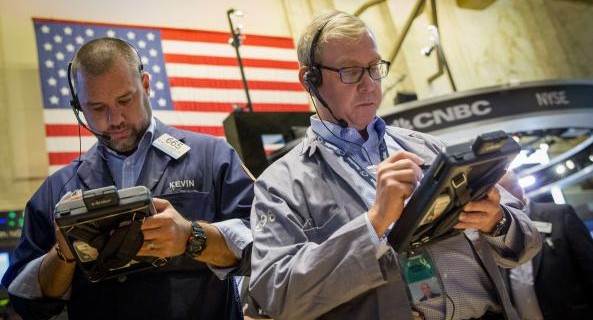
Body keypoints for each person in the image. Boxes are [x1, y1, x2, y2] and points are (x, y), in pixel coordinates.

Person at [248, 10, 541, 320]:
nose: (369, 84)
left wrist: (497, 220)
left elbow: (529, 242)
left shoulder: (431, 147)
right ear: (309, 80)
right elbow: (276, 293)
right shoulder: (279, 184)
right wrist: (373, 223)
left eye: (374, 68)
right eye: (350, 71)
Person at [1, 38, 254, 320]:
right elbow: (25, 300)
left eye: (125, 100)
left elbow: (262, 247)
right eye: (97, 108)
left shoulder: (212, 157)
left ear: (145, 85)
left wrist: (191, 237)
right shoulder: (57, 190)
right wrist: (63, 254)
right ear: (78, 107)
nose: (115, 118)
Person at [499, 171, 593, 319]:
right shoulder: (495, 234)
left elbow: (589, 266)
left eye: (502, 193)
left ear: (517, 188)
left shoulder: (560, 214)